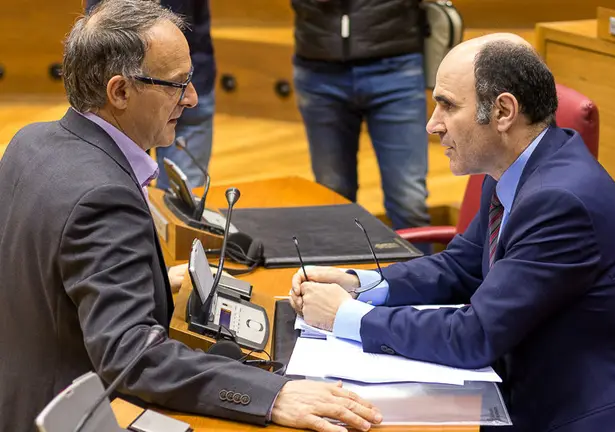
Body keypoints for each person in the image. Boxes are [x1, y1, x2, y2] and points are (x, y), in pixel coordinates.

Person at [0, 2, 381, 431]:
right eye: (177, 85)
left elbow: (49, 272)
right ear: (120, 91)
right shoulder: (104, 196)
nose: (193, 98)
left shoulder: (29, 141)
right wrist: (271, 395)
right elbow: (133, 357)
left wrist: (151, 278)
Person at [290, 33, 615, 431]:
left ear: (504, 112)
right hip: (528, 393)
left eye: (447, 105)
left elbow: (474, 336)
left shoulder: (559, 202)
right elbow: (462, 268)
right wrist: (362, 284)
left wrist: (346, 317)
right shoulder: (511, 171)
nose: (432, 125)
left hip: (591, 417)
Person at [290, 0, 431, 248]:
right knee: (333, 195)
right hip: (318, 68)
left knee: (409, 200)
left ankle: (426, 284)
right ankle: (338, 282)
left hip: (395, 64)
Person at [86, 0, 215, 191]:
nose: (190, 98)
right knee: (123, 192)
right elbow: (98, 42)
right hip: (125, 100)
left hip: (189, 86)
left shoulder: (189, 95)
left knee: (179, 203)